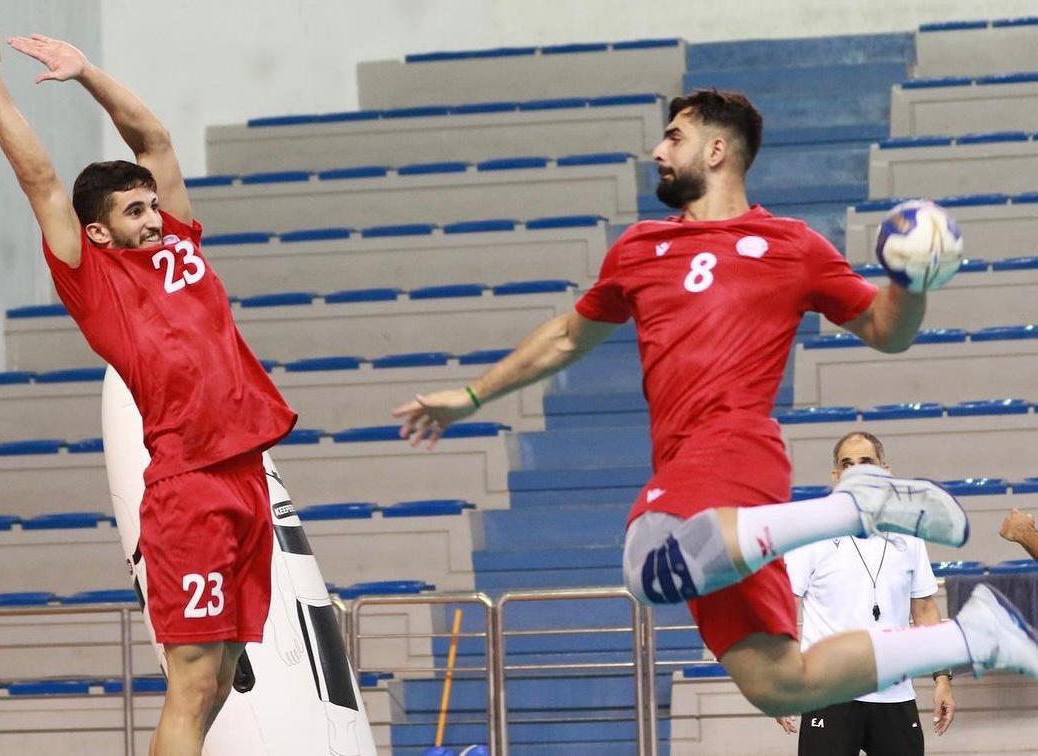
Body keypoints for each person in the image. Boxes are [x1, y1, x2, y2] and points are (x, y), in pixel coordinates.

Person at [393, 88, 1038, 718]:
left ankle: (852, 509)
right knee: (782, 683)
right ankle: (973, 637)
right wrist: (471, 396)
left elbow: (886, 331)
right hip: (695, 484)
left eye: (674, 137)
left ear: (717, 150)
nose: (658, 151)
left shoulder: (792, 246)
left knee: (649, 566)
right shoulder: (638, 249)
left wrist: (911, 284)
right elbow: (566, 336)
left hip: (733, 448)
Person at [0, 9, 297, 755]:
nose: (155, 216)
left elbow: (154, 141)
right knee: (192, 684)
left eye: (153, 203)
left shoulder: (182, 243)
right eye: (135, 210)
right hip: (190, 488)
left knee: (221, 678)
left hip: (246, 477)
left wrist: (88, 75)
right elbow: (39, 180)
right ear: (98, 231)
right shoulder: (94, 282)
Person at [775, 431, 955, 754]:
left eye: (866, 462)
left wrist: (942, 677)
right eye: (847, 464)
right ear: (836, 476)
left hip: (895, 694)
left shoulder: (909, 533)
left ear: (885, 471)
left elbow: (925, 609)